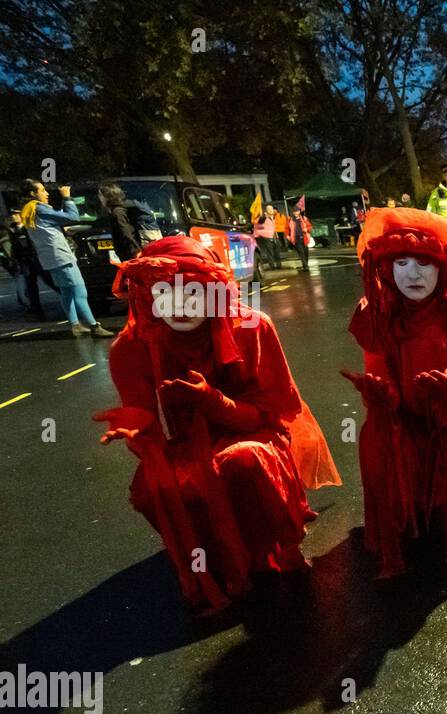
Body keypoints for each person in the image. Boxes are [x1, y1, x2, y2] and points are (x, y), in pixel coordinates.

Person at [94, 236, 340, 615]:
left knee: (242, 462)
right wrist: (138, 430)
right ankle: (212, 552)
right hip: (188, 441)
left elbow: (270, 414)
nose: (178, 304)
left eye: (191, 291)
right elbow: (143, 418)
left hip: (254, 433)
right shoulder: (134, 344)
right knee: (149, 485)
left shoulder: (252, 327)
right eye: (164, 291)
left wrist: (213, 401)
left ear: (214, 291)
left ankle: (266, 550)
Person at [343, 208, 447, 577]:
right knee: (375, 438)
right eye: (400, 262)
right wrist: (380, 394)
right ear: (386, 268)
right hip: (402, 419)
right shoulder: (377, 313)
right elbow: (380, 372)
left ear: (444, 267)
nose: (412, 273)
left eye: (424, 262)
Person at [19, 179, 113, 337]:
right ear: (32, 194)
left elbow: (51, 225)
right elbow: (73, 216)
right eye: (42, 190)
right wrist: (67, 197)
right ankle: (94, 326)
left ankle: (75, 325)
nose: (47, 193)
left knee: (66, 292)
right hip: (61, 256)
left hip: (49, 258)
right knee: (80, 292)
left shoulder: (28, 210)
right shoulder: (40, 208)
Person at [3, 208, 52, 318]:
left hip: (36, 259)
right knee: (31, 286)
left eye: (16, 214)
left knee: (49, 280)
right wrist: (15, 259)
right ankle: (36, 310)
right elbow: (14, 246)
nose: (13, 217)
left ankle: (68, 298)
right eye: (12, 215)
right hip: (25, 262)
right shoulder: (11, 230)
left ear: (21, 215)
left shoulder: (28, 227)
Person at [252, 204, 282, 269]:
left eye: (271, 209)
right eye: (269, 209)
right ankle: (272, 266)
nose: (271, 210)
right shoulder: (264, 217)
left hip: (275, 236)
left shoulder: (273, 217)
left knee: (277, 252)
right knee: (270, 252)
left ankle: (279, 265)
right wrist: (264, 217)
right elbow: (257, 222)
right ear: (266, 210)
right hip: (267, 237)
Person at [287, 208, 312, 272]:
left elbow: (309, 226)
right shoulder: (290, 220)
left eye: (297, 211)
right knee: (301, 252)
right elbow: (286, 228)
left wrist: (307, 229)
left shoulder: (304, 218)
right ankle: (306, 266)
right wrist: (287, 235)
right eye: (294, 211)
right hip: (296, 238)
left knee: (306, 252)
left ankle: (305, 265)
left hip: (304, 238)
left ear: (299, 212)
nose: (295, 212)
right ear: (293, 212)